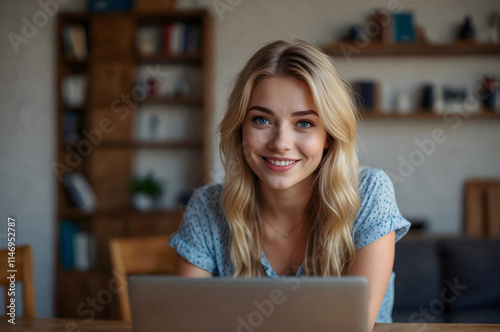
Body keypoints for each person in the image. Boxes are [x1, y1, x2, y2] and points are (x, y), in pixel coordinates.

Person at [168, 39, 411, 329]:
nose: (281, 143)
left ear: (329, 137)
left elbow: (351, 328)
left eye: (304, 123)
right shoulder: (207, 208)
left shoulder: (369, 194)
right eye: (261, 120)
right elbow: (183, 325)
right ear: (240, 129)